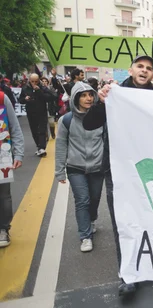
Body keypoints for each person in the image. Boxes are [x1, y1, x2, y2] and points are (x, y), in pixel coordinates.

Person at [83, 55, 153, 297]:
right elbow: (89, 124)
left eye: (148, 69)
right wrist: (102, 102)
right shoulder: (113, 94)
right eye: (140, 67)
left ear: (152, 75)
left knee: (147, 219)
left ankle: (149, 264)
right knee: (122, 221)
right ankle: (127, 274)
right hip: (117, 170)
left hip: (146, 171)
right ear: (131, 70)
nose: (144, 71)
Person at [55, 82, 105, 252]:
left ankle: (91, 220)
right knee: (82, 200)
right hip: (76, 168)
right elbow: (61, 145)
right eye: (83, 95)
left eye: (90, 95)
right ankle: (85, 236)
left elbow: (107, 141)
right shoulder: (66, 120)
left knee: (95, 198)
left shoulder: (101, 117)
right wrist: (59, 170)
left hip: (98, 167)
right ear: (75, 98)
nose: (88, 98)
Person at [0, 89, 25, 248]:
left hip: (2, 155)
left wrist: (19, 154)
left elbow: (15, 127)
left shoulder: (2, 98)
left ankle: (3, 228)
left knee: (3, 196)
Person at [18, 74, 53, 157]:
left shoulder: (43, 87)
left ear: (39, 80)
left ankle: (42, 148)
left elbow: (49, 97)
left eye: (36, 81)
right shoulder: (25, 88)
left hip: (42, 111)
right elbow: (20, 100)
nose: (34, 83)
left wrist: (39, 91)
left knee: (42, 129)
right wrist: (25, 99)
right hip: (31, 112)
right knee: (34, 131)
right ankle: (38, 146)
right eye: (32, 81)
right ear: (29, 80)